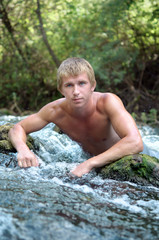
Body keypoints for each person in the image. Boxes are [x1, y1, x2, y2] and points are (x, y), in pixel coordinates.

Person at [8, 57, 143, 177]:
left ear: (93, 86)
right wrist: (23, 149)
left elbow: (135, 142)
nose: (76, 92)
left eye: (82, 83)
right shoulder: (54, 111)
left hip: (130, 158)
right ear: (61, 90)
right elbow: (17, 128)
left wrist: (89, 163)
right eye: (69, 85)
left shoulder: (107, 102)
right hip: (95, 166)